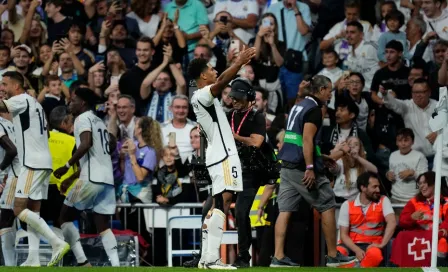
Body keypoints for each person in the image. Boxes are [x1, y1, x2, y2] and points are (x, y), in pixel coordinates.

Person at [273, 75, 357, 267]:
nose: (330, 93)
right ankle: (333, 255)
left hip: (286, 163)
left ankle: (278, 257)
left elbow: (296, 138)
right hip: (301, 167)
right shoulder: (314, 110)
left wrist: (323, 158)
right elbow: (307, 140)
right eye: (329, 90)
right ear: (321, 91)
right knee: (327, 203)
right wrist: (311, 167)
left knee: (285, 209)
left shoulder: (299, 105)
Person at [187, 46, 256, 269]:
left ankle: (206, 258)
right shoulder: (201, 95)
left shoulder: (204, 98)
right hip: (224, 157)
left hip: (218, 157)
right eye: (209, 68)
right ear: (202, 75)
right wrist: (239, 63)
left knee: (218, 204)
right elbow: (221, 84)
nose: (214, 70)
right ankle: (214, 258)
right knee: (223, 204)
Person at [0, 71, 69, 267]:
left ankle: (57, 243)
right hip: (43, 161)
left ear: (16, 86)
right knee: (33, 211)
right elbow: (45, 134)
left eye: (4, 84)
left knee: (18, 209)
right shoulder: (35, 104)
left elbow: (1, 106)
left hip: (31, 162)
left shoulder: (21, 99)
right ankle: (33, 258)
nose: (2, 89)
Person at [53, 87, 119, 267]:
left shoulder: (82, 119)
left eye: (73, 100)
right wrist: (72, 177)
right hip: (106, 180)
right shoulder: (99, 121)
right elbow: (101, 152)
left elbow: (86, 144)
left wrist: (66, 166)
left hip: (90, 179)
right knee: (102, 225)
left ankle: (82, 262)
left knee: (64, 217)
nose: (70, 104)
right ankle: (117, 266)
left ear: (82, 103)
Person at [337, 172, 396, 267]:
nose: (378, 190)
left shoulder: (383, 200)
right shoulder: (347, 204)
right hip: (351, 244)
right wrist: (356, 250)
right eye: (374, 187)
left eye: (378, 186)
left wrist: (382, 244)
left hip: (372, 244)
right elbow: (343, 235)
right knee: (337, 254)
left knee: (375, 255)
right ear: (363, 188)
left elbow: (392, 222)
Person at [399, 171, 448, 264]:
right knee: (401, 236)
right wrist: (411, 218)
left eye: (424, 183)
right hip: (417, 239)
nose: (421, 186)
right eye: (420, 183)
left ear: (434, 183)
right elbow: (402, 222)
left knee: (442, 242)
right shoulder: (413, 202)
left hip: (437, 238)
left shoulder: (446, 202)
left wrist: (442, 230)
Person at [386, 128, 428, 203]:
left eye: (406, 140)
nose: (403, 144)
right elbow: (391, 171)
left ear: (412, 142)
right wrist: (388, 175)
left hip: (413, 199)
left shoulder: (420, 156)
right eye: (400, 140)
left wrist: (412, 173)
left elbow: (426, 178)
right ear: (396, 142)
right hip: (395, 198)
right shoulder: (393, 155)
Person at [0, 112, 21, 266]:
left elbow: (11, 150)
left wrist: (1, 171)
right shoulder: (9, 123)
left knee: (6, 219)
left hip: (9, 176)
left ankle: (9, 265)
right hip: (16, 174)